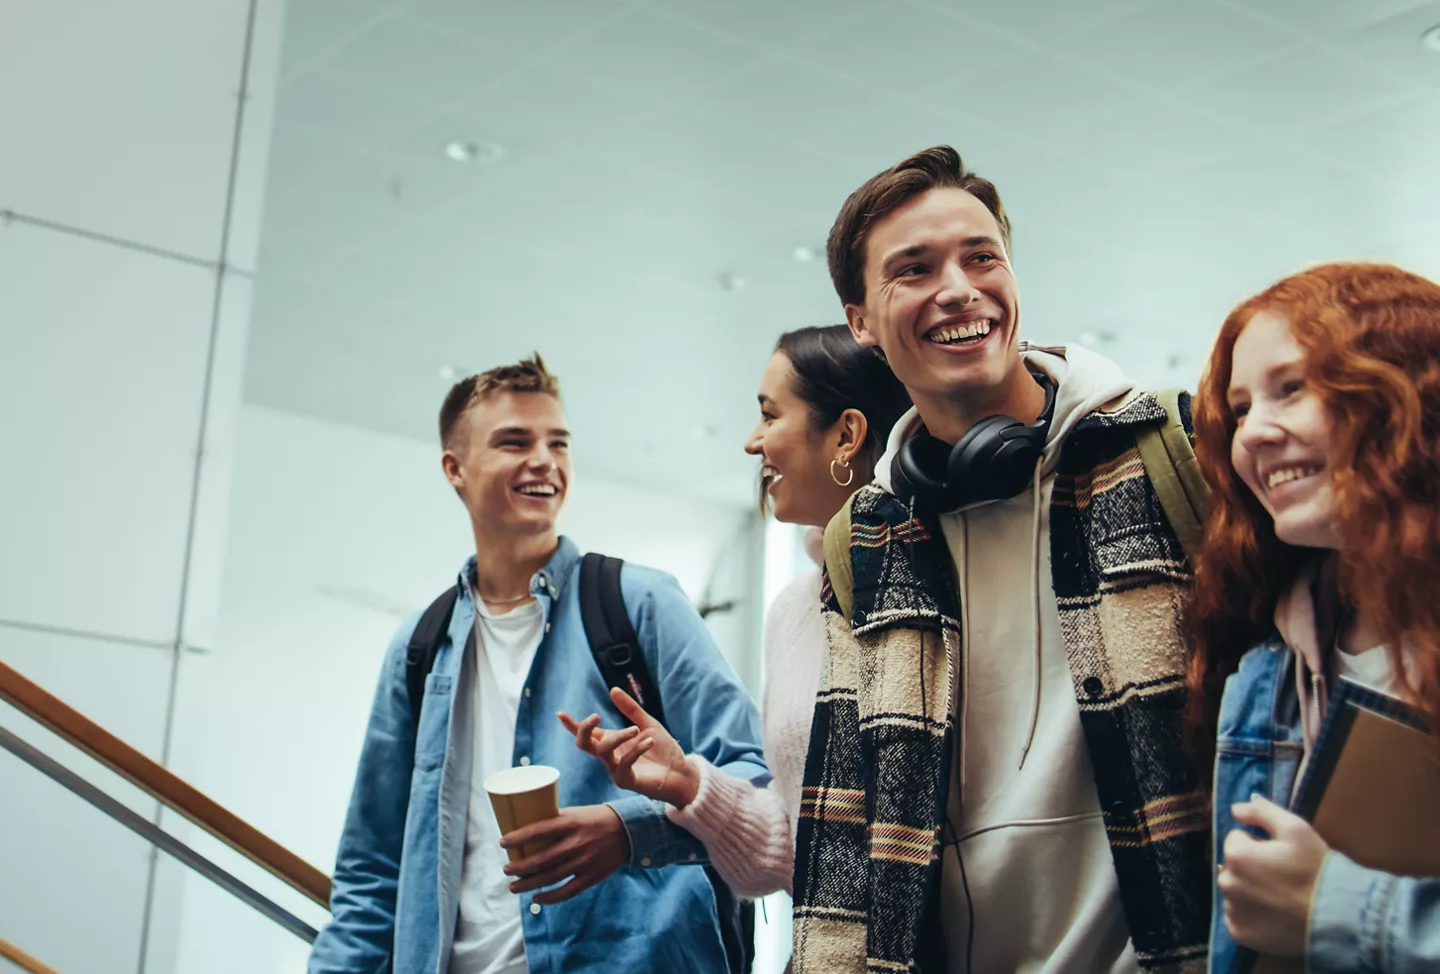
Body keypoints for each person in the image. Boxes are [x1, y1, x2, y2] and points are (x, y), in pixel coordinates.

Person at [790, 146, 1212, 973]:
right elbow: (844, 829)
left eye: (981, 257)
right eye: (913, 269)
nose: (959, 287)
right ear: (861, 322)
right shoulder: (863, 541)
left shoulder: (1175, 451)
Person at [307, 354, 766, 974]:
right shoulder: (421, 647)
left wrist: (626, 828)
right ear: (455, 469)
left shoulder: (641, 604)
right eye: (514, 442)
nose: (545, 460)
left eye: (559, 443)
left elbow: (752, 780)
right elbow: (371, 868)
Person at [560, 325, 911, 900]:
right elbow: (799, 854)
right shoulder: (795, 611)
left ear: (846, 434)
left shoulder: (943, 589)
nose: (753, 442)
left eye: (771, 416)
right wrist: (688, 784)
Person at [1185, 262, 1440, 973]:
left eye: (1292, 389)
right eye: (1239, 409)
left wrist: (1335, 907)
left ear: (1407, 393)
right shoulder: (1264, 675)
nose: (1254, 435)